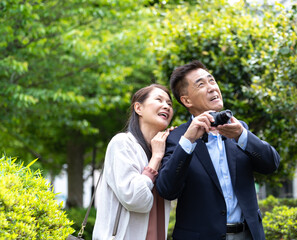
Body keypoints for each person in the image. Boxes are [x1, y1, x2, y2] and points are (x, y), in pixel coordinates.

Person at [156, 60, 280, 240]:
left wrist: (242, 136)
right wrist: (188, 141)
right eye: (201, 84)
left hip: (248, 235)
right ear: (186, 100)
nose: (212, 88)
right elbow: (167, 189)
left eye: (212, 81)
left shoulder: (237, 128)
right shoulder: (177, 138)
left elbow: (271, 164)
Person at [93, 84, 174, 240]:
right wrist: (156, 158)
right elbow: (136, 199)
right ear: (138, 108)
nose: (166, 106)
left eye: (169, 104)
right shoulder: (122, 144)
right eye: (159, 99)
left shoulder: (164, 151)